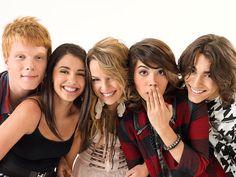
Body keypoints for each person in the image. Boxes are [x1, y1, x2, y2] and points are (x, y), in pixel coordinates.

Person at [117, 38, 212, 177]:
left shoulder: (190, 101)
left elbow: (197, 168)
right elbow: (137, 168)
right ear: (132, 76)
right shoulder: (126, 119)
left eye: (161, 72)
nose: (153, 82)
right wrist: (145, 168)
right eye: (143, 72)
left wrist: (163, 128)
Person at [0, 43, 90, 177]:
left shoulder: (80, 118)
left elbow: (65, 168)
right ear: (50, 74)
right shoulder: (31, 110)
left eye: (80, 74)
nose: (72, 80)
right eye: (64, 71)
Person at [57, 37, 129, 177]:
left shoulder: (136, 108)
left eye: (111, 77)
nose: (104, 87)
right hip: (85, 172)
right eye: (96, 79)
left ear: (125, 73)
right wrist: (66, 163)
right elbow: (76, 142)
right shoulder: (88, 107)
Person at [178, 34, 235, 177]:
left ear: (224, 76)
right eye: (192, 70)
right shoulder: (180, 94)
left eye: (208, 75)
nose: (196, 83)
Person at [0, 16, 52, 124]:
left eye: (38, 57)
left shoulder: (53, 96)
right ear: (7, 61)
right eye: (21, 57)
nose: (30, 66)